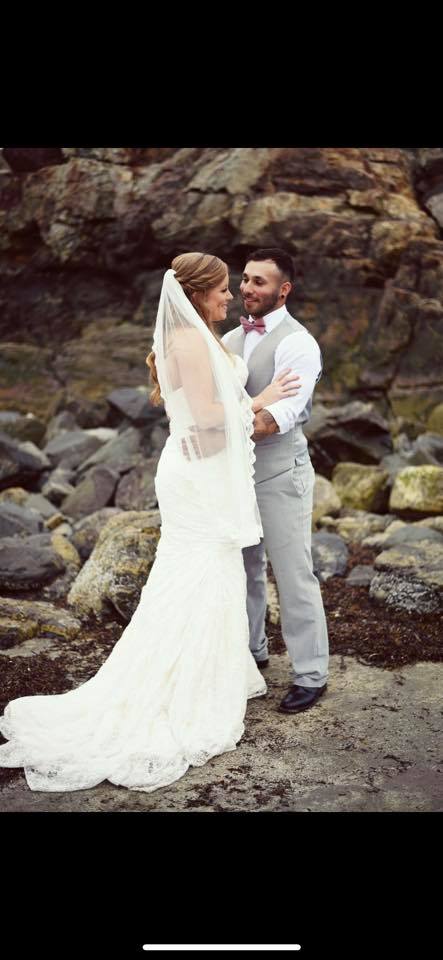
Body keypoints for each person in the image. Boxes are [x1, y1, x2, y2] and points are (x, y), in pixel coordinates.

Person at [0, 252, 301, 793]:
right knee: (198, 575)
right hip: (197, 476)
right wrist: (261, 399)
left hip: (198, 468)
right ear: (198, 293)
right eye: (222, 289)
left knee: (202, 575)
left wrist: (251, 401)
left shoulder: (197, 336)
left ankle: (206, 675)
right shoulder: (188, 342)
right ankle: (177, 690)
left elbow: (205, 413)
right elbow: (207, 420)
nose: (230, 296)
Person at [222, 248, 329, 714]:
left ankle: (311, 674)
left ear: (283, 290)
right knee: (243, 567)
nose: (247, 288)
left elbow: (276, 419)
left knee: (293, 572)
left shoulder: (299, 344)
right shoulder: (228, 339)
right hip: (234, 474)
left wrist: (215, 425)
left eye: (259, 281)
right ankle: (253, 652)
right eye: (245, 279)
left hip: (281, 473)